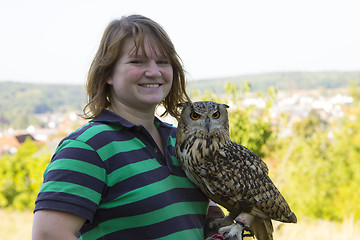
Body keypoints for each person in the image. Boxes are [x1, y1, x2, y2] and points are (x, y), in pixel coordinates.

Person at [32, 14, 224, 240]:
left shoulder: (181, 141)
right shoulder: (89, 147)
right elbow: (48, 234)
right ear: (108, 74)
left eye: (163, 61)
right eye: (137, 61)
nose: (154, 71)